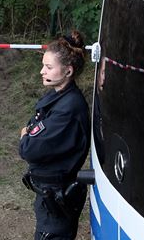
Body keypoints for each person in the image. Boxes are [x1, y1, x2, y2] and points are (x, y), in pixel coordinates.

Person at [19, 31, 91, 240]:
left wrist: (25, 135)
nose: (42, 71)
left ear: (68, 71)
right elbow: (32, 126)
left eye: (49, 67)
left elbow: (28, 148)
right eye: (43, 65)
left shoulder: (68, 110)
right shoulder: (58, 97)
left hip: (58, 197)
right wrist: (28, 133)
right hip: (49, 195)